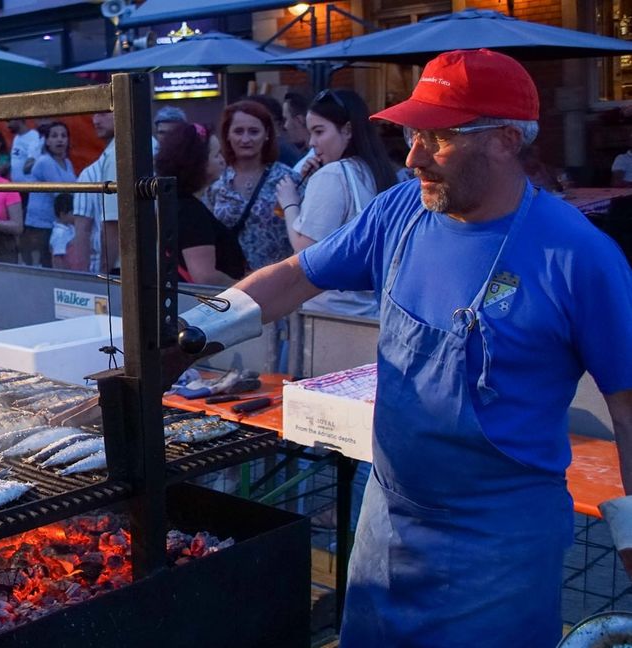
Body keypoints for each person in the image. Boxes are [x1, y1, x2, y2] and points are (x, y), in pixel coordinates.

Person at [178, 49, 632, 646]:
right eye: (412, 134)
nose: (413, 155)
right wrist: (189, 334)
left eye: (438, 137)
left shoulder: (578, 256)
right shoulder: (399, 212)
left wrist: (629, 537)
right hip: (388, 521)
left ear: (503, 140)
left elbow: (626, 408)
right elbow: (294, 275)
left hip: (499, 548)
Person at [275, 88, 396, 318]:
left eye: (319, 132)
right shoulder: (381, 171)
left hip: (330, 313)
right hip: (374, 311)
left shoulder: (332, 175)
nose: (312, 142)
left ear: (347, 130)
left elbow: (307, 249)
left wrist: (290, 203)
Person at [204, 100, 297, 273]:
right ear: (227, 135)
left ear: (267, 134)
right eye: (238, 131)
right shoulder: (216, 181)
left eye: (253, 132)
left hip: (279, 282)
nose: (245, 139)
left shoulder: (288, 179)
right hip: (230, 286)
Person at [156, 126, 243, 285]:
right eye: (216, 155)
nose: (222, 160)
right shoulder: (190, 212)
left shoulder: (173, 202)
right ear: (197, 162)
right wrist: (246, 289)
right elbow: (205, 277)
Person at [22, 122, 75, 268]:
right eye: (54, 136)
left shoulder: (67, 162)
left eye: (64, 136)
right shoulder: (45, 161)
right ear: (47, 141)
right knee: (45, 268)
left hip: (58, 223)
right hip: (41, 227)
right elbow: (61, 193)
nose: (60, 139)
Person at [72, 111, 116, 273]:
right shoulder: (89, 174)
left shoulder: (152, 150)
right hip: (103, 270)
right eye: (94, 114)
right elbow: (82, 230)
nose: (96, 120)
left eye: (103, 113)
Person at [7, 118, 42, 183]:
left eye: (9, 121)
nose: (8, 125)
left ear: (18, 119)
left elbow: (32, 162)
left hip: (29, 186)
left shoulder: (33, 136)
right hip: (17, 186)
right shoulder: (16, 137)